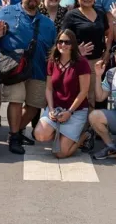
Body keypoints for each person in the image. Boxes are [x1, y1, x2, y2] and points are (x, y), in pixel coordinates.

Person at [0, 0, 56, 155]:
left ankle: (16, 131)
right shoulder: (7, 12)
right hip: (14, 67)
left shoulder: (48, 23)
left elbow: (53, 48)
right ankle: (15, 136)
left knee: (34, 105)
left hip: (38, 68)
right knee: (16, 100)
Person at [33, 30, 91, 158]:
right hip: (57, 108)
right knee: (39, 135)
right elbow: (48, 88)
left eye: (67, 42)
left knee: (60, 154)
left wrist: (69, 112)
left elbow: (84, 91)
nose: (63, 45)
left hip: (76, 110)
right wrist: (51, 109)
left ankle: (84, 136)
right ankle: (62, 136)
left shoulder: (82, 63)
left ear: (73, 45)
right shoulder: (52, 61)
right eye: (60, 41)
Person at [61, 0, 112, 109]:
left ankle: (93, 125)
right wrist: (76, 50)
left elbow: (108, 32)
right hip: (78, 62)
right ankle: (81, 127)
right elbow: (62, 38)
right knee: (81, 95)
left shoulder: (100, 12)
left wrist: (107, 51)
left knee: (95, 95)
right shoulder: (71, 15)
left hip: (97, 61)